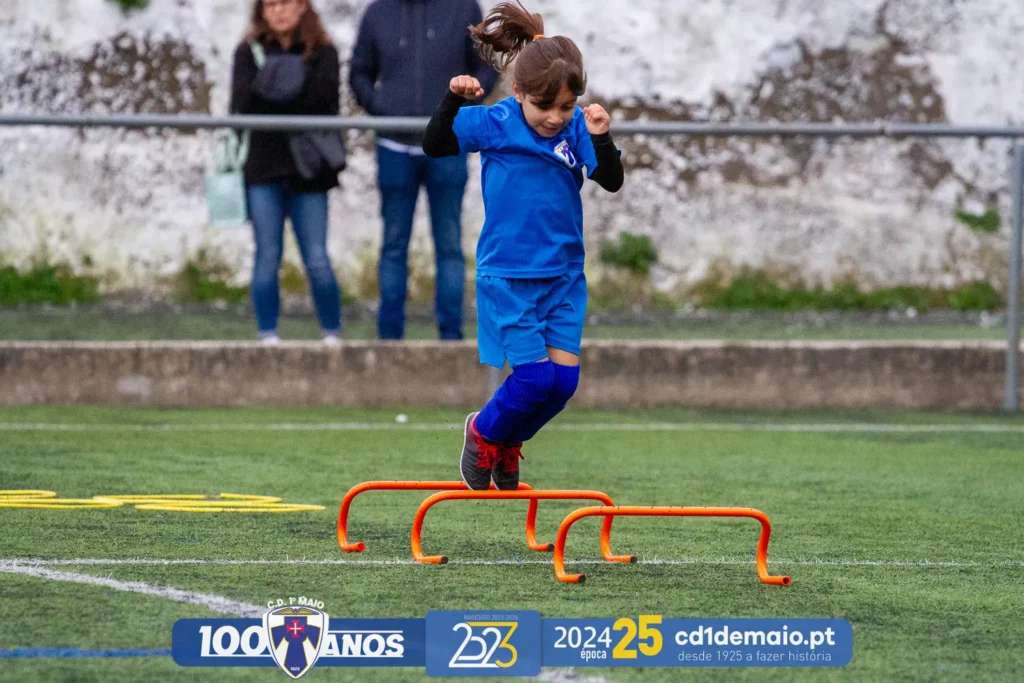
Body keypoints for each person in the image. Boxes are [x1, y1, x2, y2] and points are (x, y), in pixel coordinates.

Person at [422, 1, 624, 490]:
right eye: (545, 107)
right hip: (510, 276)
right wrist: (453, 99)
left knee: (562, 385)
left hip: (563, 278)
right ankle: (482, 431)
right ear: (518, 92)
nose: (556, 117)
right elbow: (435, 143)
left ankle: (509, 442)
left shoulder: (577, 128)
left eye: (566, 107)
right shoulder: (495, 122)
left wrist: (600, 135)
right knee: (534, 380)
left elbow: (612, 181)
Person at [349, 0, 498, 341]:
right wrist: (380, 108)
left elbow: (488, 65)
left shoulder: (463, 9)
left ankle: (450, 337)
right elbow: (359, 72)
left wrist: (468, 100)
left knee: (448, 243)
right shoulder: (378, 12)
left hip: (448, 145)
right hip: (394, 146)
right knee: (394, 243)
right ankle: (389, 338)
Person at [230, 0, 343, 345]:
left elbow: (323, 100)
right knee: (266, 256)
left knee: (317, 258)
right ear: (261, 10)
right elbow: (241, 103)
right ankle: (268, 337)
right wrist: (293, 88)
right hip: (263, 168)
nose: (279, 10)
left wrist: (271, 87)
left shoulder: (323, 51)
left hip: (310, 171)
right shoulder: (248, 51)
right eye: (271, 4)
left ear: (303, 7)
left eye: (287, 2)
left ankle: (332, 335)